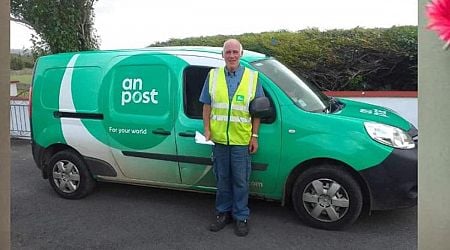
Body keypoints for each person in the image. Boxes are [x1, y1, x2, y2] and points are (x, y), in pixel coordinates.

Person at [199, 39, 264, 237]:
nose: (232, 55)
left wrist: (254, 136)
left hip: (241, 141)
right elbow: (207, 105)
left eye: (236, 52)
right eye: (228, 52)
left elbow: (258, 111)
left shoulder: (253, 78)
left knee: (241, 181)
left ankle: (241, 217)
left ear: (241, 54)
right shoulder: (213, 75)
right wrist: (207, 129)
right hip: (219, 140)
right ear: (223, 55)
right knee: (222, 180)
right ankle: (222, 214)